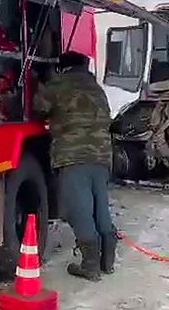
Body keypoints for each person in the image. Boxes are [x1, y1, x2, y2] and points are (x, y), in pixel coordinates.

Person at [33, 51, 117, 282]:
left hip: (73, 155)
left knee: (78, 209)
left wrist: (40, 82)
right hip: (101, 156)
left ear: (62, 67)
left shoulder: (59, 84)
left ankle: (90, 266)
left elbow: (38, 107)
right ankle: (107, 262)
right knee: (100, 206)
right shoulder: (96, 88)